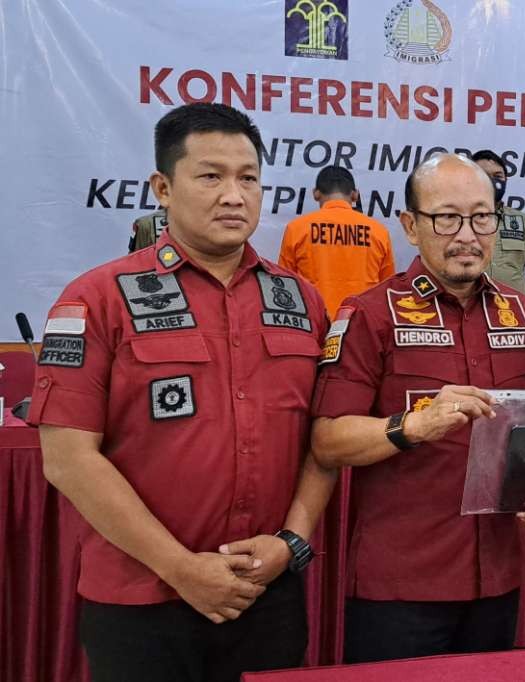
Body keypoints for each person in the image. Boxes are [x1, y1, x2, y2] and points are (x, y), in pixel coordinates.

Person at [31, 103, 338, 680]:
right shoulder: (97, 299)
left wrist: (291, 542)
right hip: (140, 601)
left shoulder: (301, 300)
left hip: (265, 596)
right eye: (210, 176)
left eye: (248, 178)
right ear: (163, 187)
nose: (233, 195)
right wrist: (180, 568)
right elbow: (67, 459)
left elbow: (324, 441)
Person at [310, 152, 525, 663]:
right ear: (410, 225)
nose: (467, 235)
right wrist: (412, 425)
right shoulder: (369, 315)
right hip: (400, 585)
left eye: (482, 217)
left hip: (498, 577)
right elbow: (327, 440)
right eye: (446, 218)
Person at [278, 165, 395, 315]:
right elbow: (388, 289)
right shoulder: (379, 232)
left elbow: (284, 284)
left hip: (313, 324)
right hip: (361, 324)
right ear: (355, 195)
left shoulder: (296, 229)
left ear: (316, 193)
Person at [470, 149, 525, 299]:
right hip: (465, 315)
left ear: (506, 179)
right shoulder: (454, 220)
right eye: (483, 175)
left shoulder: (524, 222)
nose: (491, 181)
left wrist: (517, 302)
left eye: (497, 176)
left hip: (510, 317)